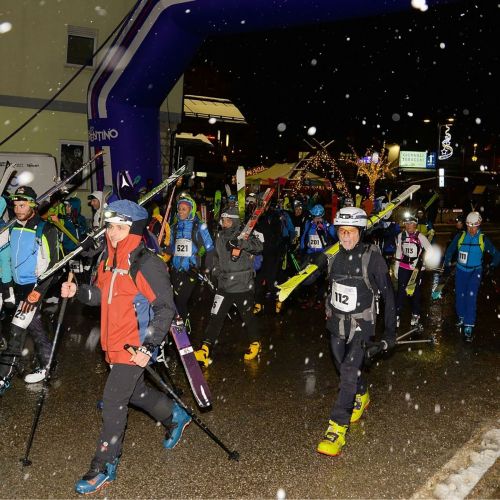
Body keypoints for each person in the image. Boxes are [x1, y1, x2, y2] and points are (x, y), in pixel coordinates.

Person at [60, 199, 191, 494]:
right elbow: (101, 296)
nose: (112, 233)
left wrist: (149, 345)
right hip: (112, 342)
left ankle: (104, 464)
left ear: (133, 230)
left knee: (113, 401)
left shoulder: (146, 263)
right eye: (110, 227)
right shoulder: (108, 259)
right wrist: (78, 291)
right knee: (136, 393)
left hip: (135, 345)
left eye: (119, 227)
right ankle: (174, 415)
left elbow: (165, 308)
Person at [317, 207, 396, 457]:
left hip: (362, 324)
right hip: (336, 323)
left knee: (349, 370)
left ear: (360, 232)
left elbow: (388, 296)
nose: (346, 237)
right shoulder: (332, 254)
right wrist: (311, 266)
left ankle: (336, 428)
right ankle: (361, 393)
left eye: (351, 232)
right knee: (342, 366)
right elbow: (308, 280)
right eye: (342, 231)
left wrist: (389, 334)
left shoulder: (372, 257)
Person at [0, 186, 59, 392]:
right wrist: (7, 286)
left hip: (34, 286)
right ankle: (48, 365)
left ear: (33, 205)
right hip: (16, 286)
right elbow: (5, 257)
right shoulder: (11, 227)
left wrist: (36, 294)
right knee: (34, 327)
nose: (18, 209)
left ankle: (3, 376)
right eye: (15, 205)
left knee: (16, 329)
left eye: (22, 205)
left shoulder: (45, 229)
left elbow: (54, 266)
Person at [194, 206, 263, 367]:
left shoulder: (245, 234)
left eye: (228, 220)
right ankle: (205, 348)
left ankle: (255, 342)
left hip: (242, 284)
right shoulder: (220, 235)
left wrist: (241, 242)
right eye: (223, 220)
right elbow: (216, 257)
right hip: (224, 285)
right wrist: (216, 272)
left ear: (235, 221)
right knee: (215, 317)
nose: (224, 223)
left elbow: (259, 247)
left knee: (247, 316)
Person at [442, 211, 499, 341]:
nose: (471, 230)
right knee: (460, 295)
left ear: (479, 225)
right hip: (460, 270)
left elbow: (497, 254)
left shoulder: (483, 239)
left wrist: (492, 266)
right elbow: (450, 250)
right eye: (469, 226)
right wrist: (447, 264)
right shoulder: (460, 236)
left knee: (471, 296)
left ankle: (469, 325)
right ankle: (461, 317)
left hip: (475, 271)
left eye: (474, 226)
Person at [166, 194, 214, 324]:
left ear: (191, 210)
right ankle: (180, 324)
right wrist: (162, 250)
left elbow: (210, 248)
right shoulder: (174, 227)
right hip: (175, 270)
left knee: (181, 300)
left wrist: (207, 268)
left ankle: (184, 325)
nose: (180, 212)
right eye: (179, 209)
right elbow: (172, 249)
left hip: (191, 271)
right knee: (175, 300)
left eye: (184, 209)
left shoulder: (199, 226)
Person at [394, 214, 433, 328]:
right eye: (406, 223)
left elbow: (430, 250)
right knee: (401, 291)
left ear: (415, 224)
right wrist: (396, 266)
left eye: (411, 223)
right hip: (403, 266)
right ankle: (397, 314)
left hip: (416, 268)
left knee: (415, 291)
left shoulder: (420, 237)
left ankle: (415, 314)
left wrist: (423, 263)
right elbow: (399, 251)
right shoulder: (401, 236)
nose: (408, 226)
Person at [299, 204, 337, 309]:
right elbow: (304, 237)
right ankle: (308, 298)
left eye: (318, 217)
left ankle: (319, 299)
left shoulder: (328, 226)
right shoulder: (309, 224)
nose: (316, 219)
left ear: (322, 216)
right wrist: (302, 250)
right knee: (307, 277)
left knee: (320, 278)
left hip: (322, 255)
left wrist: (325, 229)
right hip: (310, 254)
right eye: (314, 217)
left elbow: (334, 238)